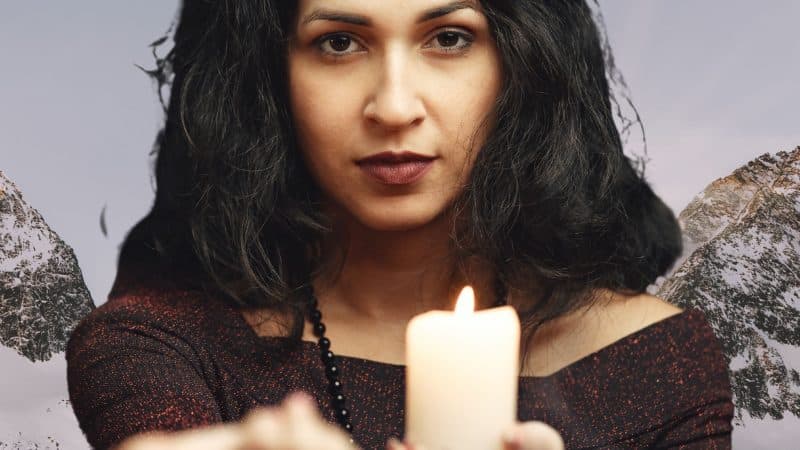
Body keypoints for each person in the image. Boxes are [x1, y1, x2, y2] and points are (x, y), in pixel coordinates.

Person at [66, 0, 735, 449]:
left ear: (523, 61)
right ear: (268, 74)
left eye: (448, 38)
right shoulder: (157, 342)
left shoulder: (660, 363)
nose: (393, 105)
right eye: (337, 43)